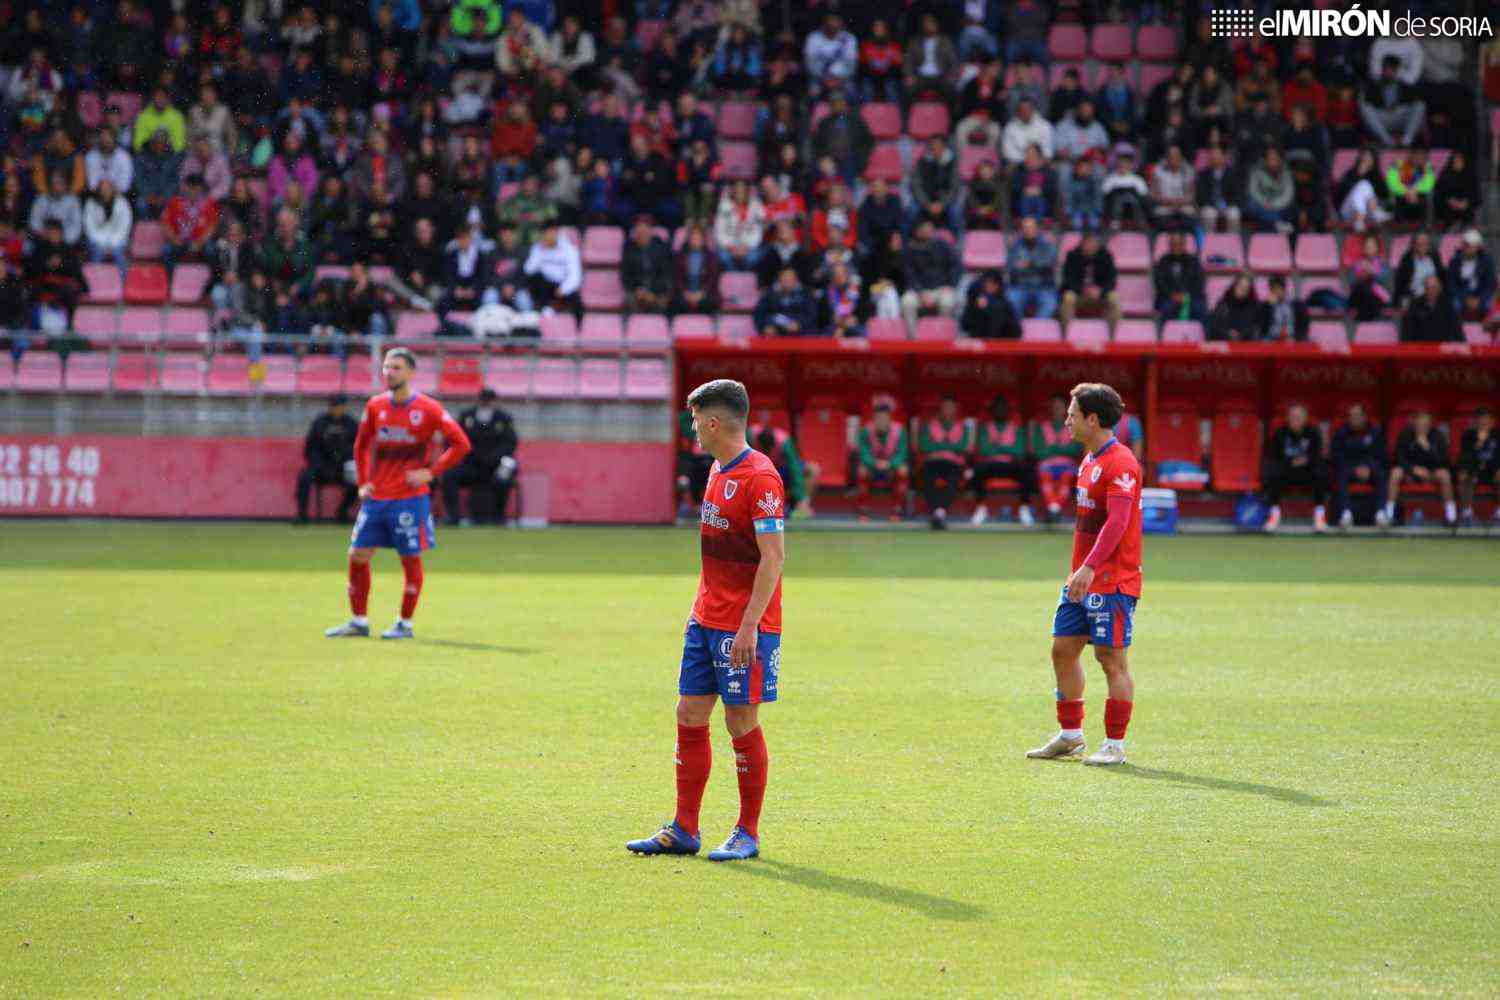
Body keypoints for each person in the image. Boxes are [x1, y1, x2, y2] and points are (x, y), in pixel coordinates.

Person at [626, 379, 785, 863]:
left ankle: (747, 832)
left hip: (743, 626)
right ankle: (684, 828)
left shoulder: (761, 478)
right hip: (706, 619)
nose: (692, 428)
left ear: (713, 422)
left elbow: (772, 558)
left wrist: (748, 626)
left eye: (695, 420)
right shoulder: (717, 468)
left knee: (740, 720)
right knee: (689, 714)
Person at [1026, 382, 1143, 767]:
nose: (1067, 420)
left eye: (1073, 414)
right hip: (1081, 579)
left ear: (1093, 419)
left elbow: (1118, 522)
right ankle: (1071, 735)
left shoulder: (1121, 463)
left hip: (1111, 581)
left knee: (1111, 659)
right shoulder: (1089, 459)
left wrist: (1090, 567)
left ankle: (1114, 745)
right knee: (1062, 649)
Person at [325, 348, 472, 641]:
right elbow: (362, 445)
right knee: (357, 555)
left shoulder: (429, 409)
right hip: (377, 496)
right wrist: (364, 482)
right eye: (386, 367)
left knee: (409, 557)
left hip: (410, 497)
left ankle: (404, 623)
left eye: (396, 367)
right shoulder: (375, 406)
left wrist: (431, 472)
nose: (389, 372)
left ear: (410, 373)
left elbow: (461, 444)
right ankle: (358, 621)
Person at [442, 389, 519, 526]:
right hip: (471, 464)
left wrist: (494, 457)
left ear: (494, 401)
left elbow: (510, 443)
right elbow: (453, 438)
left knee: (506, 474)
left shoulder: (504, 418)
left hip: (494, 465)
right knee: (449, 476)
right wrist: (465, 455)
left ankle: (499, 517)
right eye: (483, 399)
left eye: (489, 400)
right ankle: (453, 516)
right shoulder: (467, 416)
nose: (486, 403)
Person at [971, 395, 1037, 526]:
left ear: (1008, 411)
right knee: (977, 470)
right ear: (992, 410)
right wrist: (1007, 448)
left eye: (1003, 408)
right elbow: (984, 450)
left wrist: (997, 447)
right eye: (997, 408)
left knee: (1027, 470)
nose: (1000, 411)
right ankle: (981, 508)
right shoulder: (986, 427)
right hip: (991, 465)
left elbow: (1019, 450)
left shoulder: (1016, 428)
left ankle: (1024, 509)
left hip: (1011, 464)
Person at [1262, 404, 1328, 533]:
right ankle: (1273, 516)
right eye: (1292, 417)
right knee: (1273, 474)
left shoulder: (1313, 433)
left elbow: (1317, 456)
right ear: (1288, 418)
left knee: (1320, 474)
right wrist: (1291, 462)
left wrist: (1306, 460)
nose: (1295, 420)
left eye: (1298, 417)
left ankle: (1319, 517)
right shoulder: (1280, 433)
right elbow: (1274, 456)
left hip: (1307, 471)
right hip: (1287, 470)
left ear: (1305, 419)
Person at [296, 396, 360, 524]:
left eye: (340, 407)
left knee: (359, 480)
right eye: (334, 407)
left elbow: (358, 448)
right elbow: (310, 447)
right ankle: (302, 515)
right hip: (321, 468)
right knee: (304, 478)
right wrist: (317, 463)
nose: (337, 410)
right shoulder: (320, 423)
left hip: (343, 468)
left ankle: (342, 512)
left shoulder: (352, 424)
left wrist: (346, 461)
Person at [1385, 411, 1455, 527]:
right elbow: (1399, 459)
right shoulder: (1405, 435)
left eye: (1425, 425)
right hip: (1410, 473)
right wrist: (1413, 469)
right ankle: (1389, 515)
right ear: (1414, 424)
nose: (1422, 427)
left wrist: (1428, 448)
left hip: (1431, 472)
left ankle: (1451, 516)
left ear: (1430, 425)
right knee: (1395, 473)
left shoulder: (1437, 436)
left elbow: (1443, 462)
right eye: (1419, 424)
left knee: (1445, 475)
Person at [917, 395, 972, 530]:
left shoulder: (963, 426)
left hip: (954, 464)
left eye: (950, 408)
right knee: (927, 475)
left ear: (955, 410)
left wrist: (938, 446)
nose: (947, 410)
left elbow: (964, 447)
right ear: (940, 410)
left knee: (954, 479)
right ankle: (938, 512)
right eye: (945, 407)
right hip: (933, 462)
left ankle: (938, 512)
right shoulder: (928, 425)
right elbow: (924, 446)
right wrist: (949, 447)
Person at [1332, 403, 1388, 529]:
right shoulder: (1342, 433)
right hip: (1349, 469)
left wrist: (1368, 467)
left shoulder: (1375, 431)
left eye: (1357, 416)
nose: (1354, 419)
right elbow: (1338, 456)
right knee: (1340, 475)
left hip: (1370, 469)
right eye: (1352, 416)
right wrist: (1354, 469)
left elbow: (1381, 456)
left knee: (1382, 475)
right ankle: (1346, 514)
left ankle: (1381, 514)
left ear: (1364, 417)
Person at [854, 395, 909, 520]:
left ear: (890, 418)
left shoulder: (900, 431)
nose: (881, 421)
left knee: (903, 470)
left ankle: (897, 510)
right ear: (874, 418)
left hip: (891, 468)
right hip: (872, 468)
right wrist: (874, 463)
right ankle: (863, 510)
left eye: (884, 418)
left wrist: (890, 464)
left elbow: (902, 453)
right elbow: (863, 453)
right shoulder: (866, 431)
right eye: (878, 418)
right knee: (861, 470)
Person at [1031, 394, 1084, 522]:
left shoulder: (1075, 426)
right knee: (1044, 473)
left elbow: (1077, 449)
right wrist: (1062, 449)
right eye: (1054, 407)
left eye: (1059, 407)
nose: (1057, 410)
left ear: (1067, 409)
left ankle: (1053, 509)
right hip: (1047, 464)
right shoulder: (1041, 427)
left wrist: (1053, 448)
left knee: (1066, 476)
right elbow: (1038, 451)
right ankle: (1055, 509)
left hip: (1068, 465)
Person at [751, 423, 817, 518]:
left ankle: (801, 505)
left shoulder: (784, 442)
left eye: (768, 450)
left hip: (781, 471)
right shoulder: (749, 436)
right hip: (758, 471)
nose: (766, 452)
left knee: (812, 469)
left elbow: (795, 470)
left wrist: (801, 498)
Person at [1059, 231, 1120, 329]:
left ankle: (1113, 337)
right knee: (1068, 298)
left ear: (1097, 245)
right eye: (1087, 244)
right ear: (1082, 245)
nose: (1090, 247)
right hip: (1078, 294)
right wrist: (1083, 290)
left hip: (1100, 295)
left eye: (1093, 244)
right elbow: (1068, 281)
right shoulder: (1072, 256)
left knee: (1113, 298)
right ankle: (1065, 335)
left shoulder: (1106, 256)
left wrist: (1100, 291)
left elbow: (1112, 281)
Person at [1457, 406, 1499, 526]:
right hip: (1473, 469)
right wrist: (1479, 444)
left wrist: (1496, 470)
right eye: (1481, 421)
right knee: (1464, 477)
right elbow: (1464, 458)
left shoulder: (1497, 435)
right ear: (1476, 422)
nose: (1483, 423)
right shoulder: (1468, 435)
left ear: (1492, 422)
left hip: (1492, 470)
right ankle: (1467, 513)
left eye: (1486, 421)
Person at [1400, 275, 1462, 344]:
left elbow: (1457, 329)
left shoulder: (1447, 305)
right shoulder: (1415, 304)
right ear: (1425, 289)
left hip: (1442, 347)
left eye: (1434, 288)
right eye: (1428, 288)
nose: (1431, 291)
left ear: (1439, 288)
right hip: (1420, 347)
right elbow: (1407, 330)